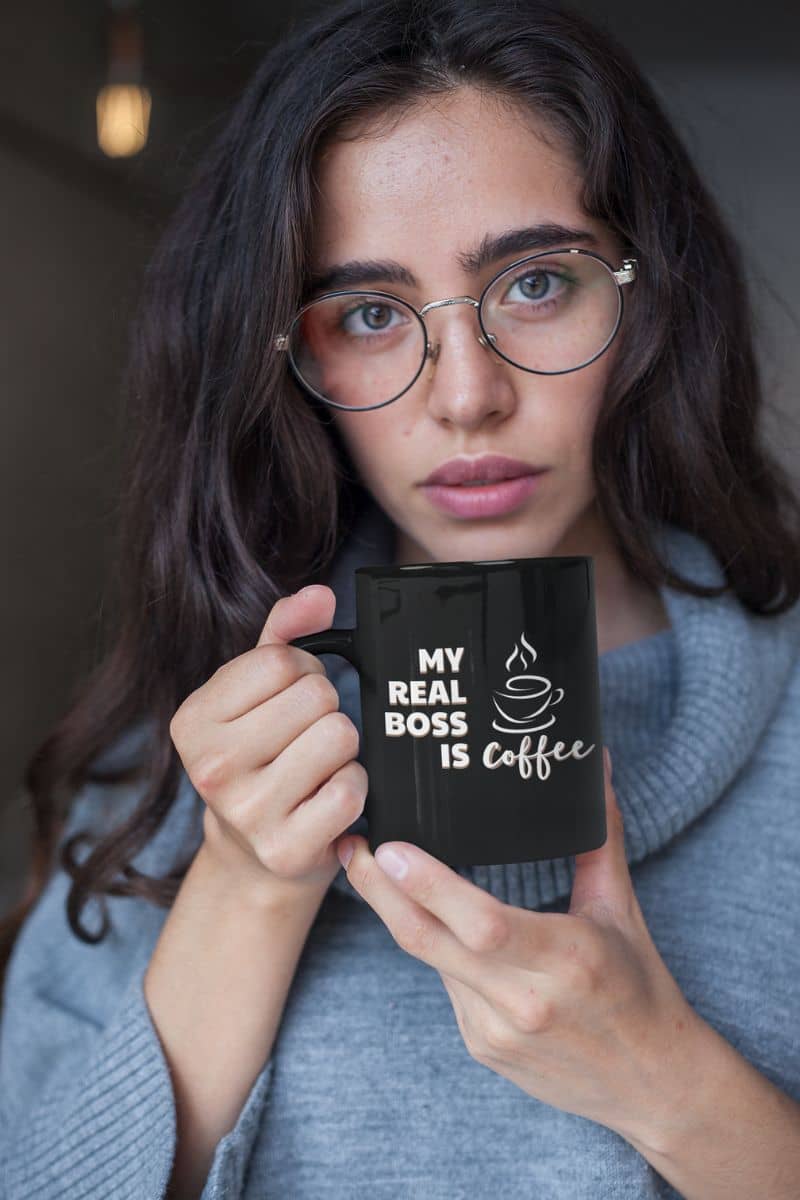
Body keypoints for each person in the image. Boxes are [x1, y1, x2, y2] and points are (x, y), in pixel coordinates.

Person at [2, 0, 799, 1197]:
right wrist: (244, 888)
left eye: (535, 284)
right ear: (290, 360)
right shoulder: (170, 766)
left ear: (646, 298)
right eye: (369, 316)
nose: (464, 395)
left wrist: (669, 1085)